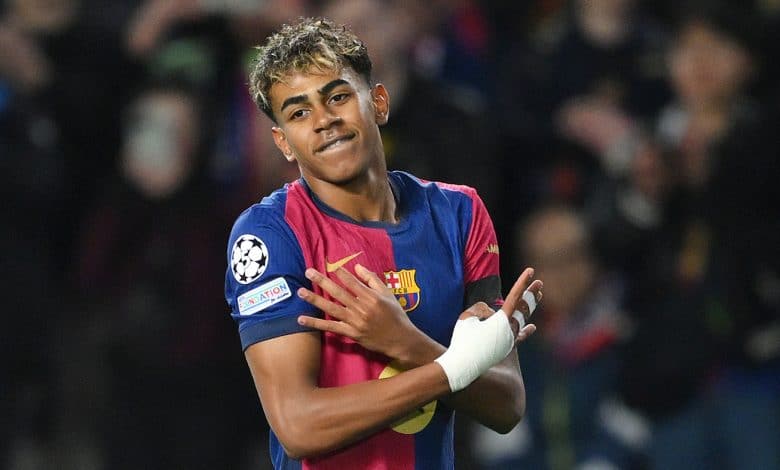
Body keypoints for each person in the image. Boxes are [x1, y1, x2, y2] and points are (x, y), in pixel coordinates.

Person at [223, 17, 543, 469]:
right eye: (298, 113)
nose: (324, 121)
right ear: (284, 144)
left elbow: (507, 403)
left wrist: (408, 346)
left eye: (337, 97)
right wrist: (449, 368)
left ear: (378, 102)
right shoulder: (269, 235)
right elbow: (297, 425)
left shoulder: (460, 214)